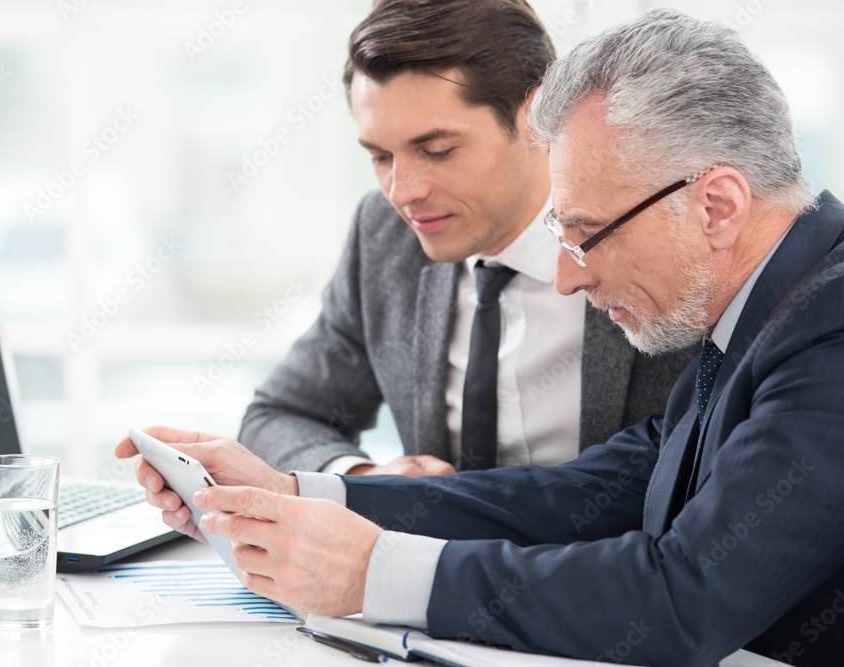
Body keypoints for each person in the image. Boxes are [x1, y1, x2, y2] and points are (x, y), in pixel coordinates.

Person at [117, 9, 844, 667]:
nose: (566, 277)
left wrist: (376, 572)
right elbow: (597, 489)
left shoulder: (826, 327)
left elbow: (686, 596)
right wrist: (303, 493)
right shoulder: (764, 306)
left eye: (587, 236)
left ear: (716, 205)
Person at [238, 0, 694, 478]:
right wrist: (367, 481)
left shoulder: (651, 230)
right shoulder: (383, 236)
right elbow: (280, 415)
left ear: (535, 116)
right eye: (379, 156)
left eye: (436, 151)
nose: (402, 193)